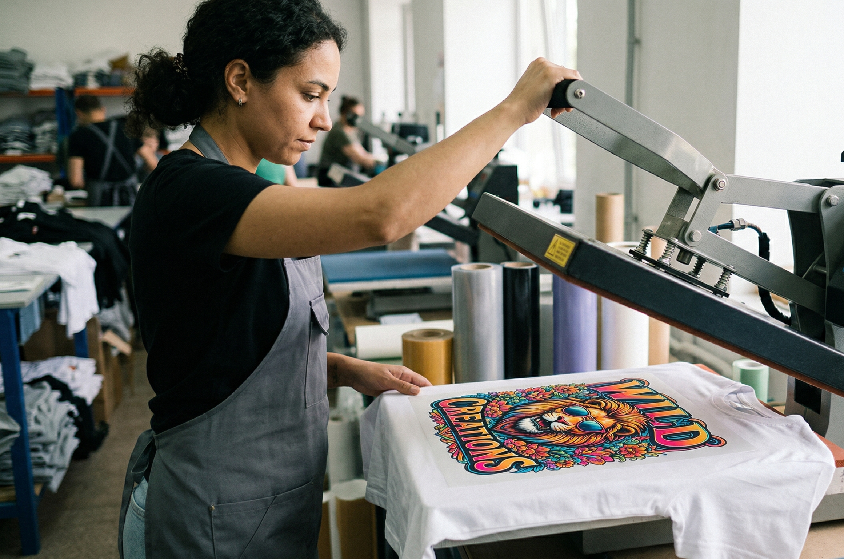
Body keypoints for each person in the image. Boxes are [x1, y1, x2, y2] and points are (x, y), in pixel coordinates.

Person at [117, 0, 578, 557]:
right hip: (216, 511)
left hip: (265, 501)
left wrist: (338, 369)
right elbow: (378, 215)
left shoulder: (243, 190)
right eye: (310, 94)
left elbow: (221, 346)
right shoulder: (192, 192)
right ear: (240, 81)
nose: (325, 119)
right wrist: (513, 111)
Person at [67, 95, 157, 206]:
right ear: (103, 109)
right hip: (129, 198)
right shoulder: (126, 127)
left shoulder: (78, 136)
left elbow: (76, 181)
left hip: (99, 201)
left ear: (78, 113)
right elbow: (153, 164)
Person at [316, 95, 380, 185]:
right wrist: (381, 161)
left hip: (342, 174)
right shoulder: (339, 132)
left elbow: (362, 153)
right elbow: (360, 158)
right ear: (346, 114)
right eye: (356, 116)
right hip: (330, 176)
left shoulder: (352, 131)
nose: (358, 120)